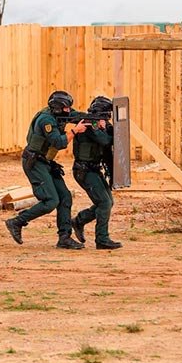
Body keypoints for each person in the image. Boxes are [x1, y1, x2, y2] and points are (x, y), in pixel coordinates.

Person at [5, 90, 89, 249]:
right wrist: (75, 131)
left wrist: (93, 118)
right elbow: (59, 142)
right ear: (57, 108)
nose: (68, 111)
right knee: (51, 201)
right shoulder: (46, 120)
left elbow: (75, 115)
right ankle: (17, 221)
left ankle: (64, 238)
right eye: (65, 108)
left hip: (46, 161)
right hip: (35, 162)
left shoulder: (59, 115)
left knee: (65, 197)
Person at [70, 96, 121, 249]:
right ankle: (102, 239)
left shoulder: (99, 124)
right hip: (84, 170)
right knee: (104, 203)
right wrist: (102, 127)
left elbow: (113, 134)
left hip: (93, 169)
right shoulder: (89, 123)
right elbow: (105, 140)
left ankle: (79, 221)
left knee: (108, 202)